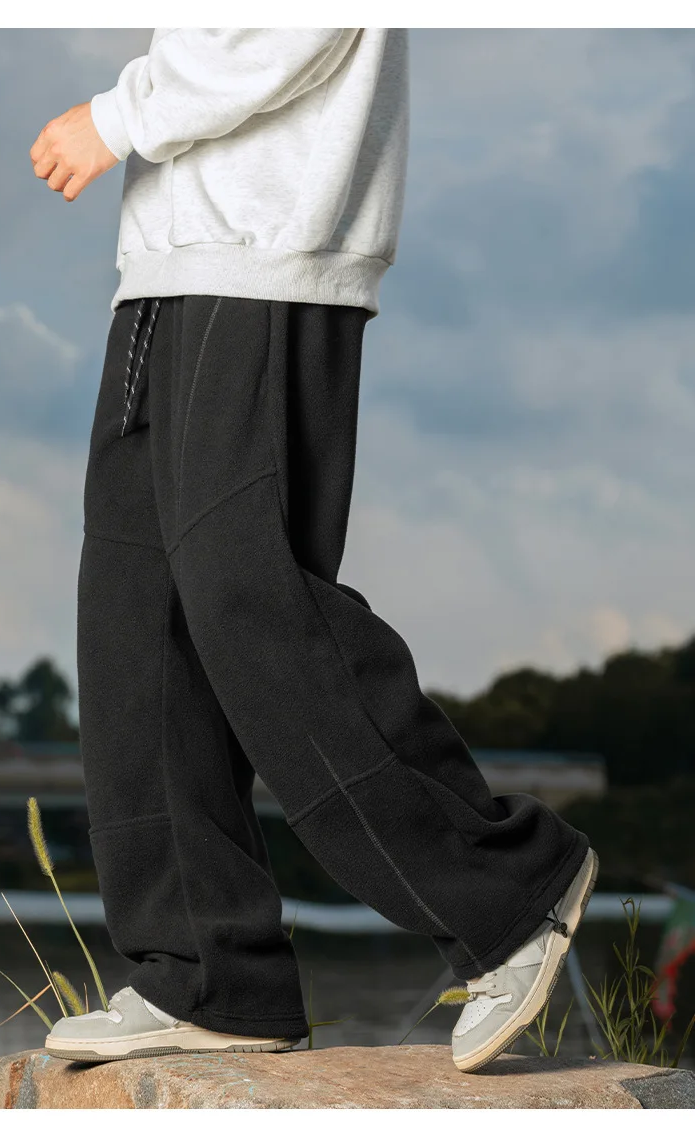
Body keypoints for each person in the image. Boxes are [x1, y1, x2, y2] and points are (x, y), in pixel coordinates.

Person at [29, 27, 597, 1075]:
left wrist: (118, 115)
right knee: (136, 623)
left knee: (248, 597)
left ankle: (506, 886)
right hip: (167, 263)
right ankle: (206, 974)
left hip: (267, 253)